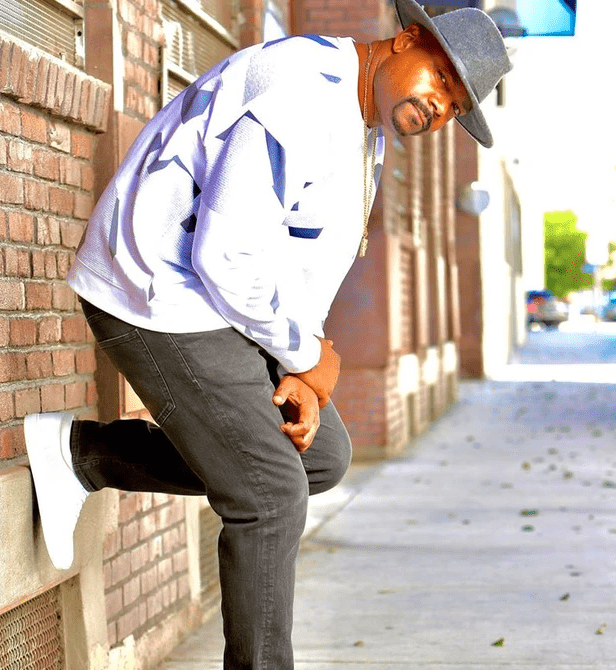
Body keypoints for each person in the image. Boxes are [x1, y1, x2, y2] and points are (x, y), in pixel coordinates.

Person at [24, 1, 512, 667]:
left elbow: (296, 261)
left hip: (213, 304)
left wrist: (299, 370)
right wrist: (310, 358)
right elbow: (224, 255)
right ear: (406, 41)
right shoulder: (306, 92)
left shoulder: (360, 123)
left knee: (319, 457)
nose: (441, 108)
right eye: (443, 81)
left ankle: (86, 454)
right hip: (157, 296)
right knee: (270, 494)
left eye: (457, 106)